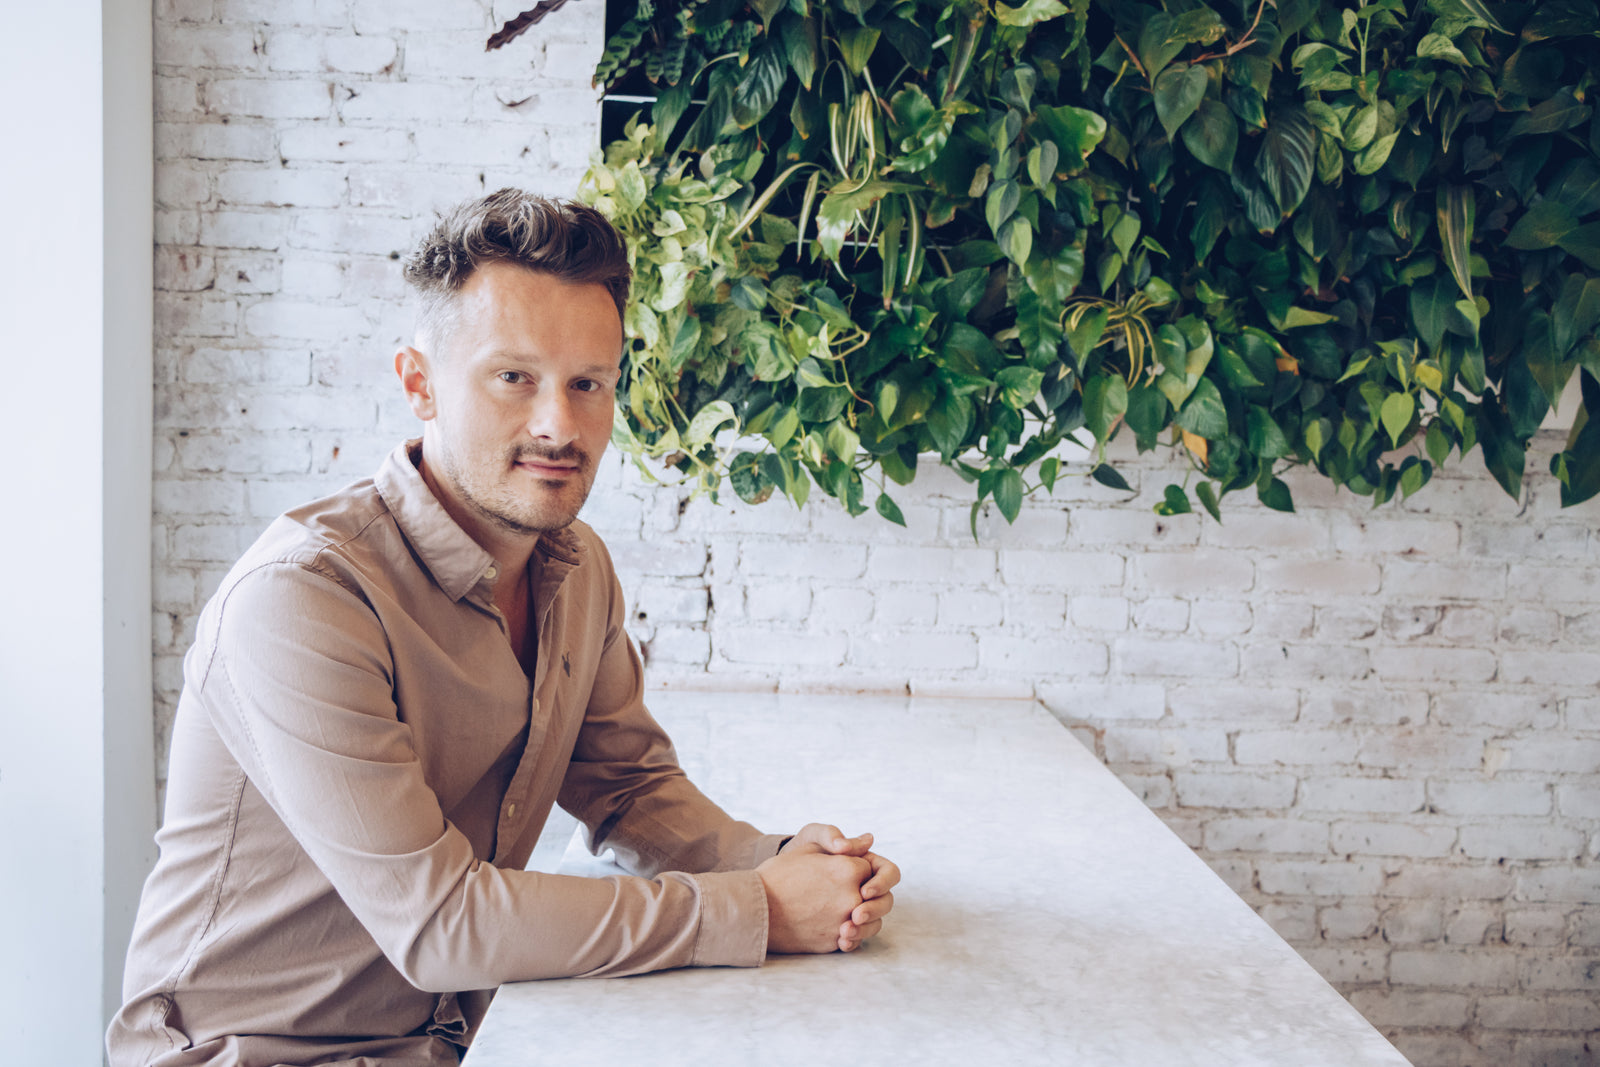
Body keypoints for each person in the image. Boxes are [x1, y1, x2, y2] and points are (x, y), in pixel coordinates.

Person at [108, 189, 899, 1067]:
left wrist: (786, 860)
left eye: (587, 383)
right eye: (514, 377)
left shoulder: (575, 567)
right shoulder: (302, 601)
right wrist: (755, 908)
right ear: (420, 383)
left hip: (459, 1043)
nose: (558, 424)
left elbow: (630, 790)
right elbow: (440, 922)